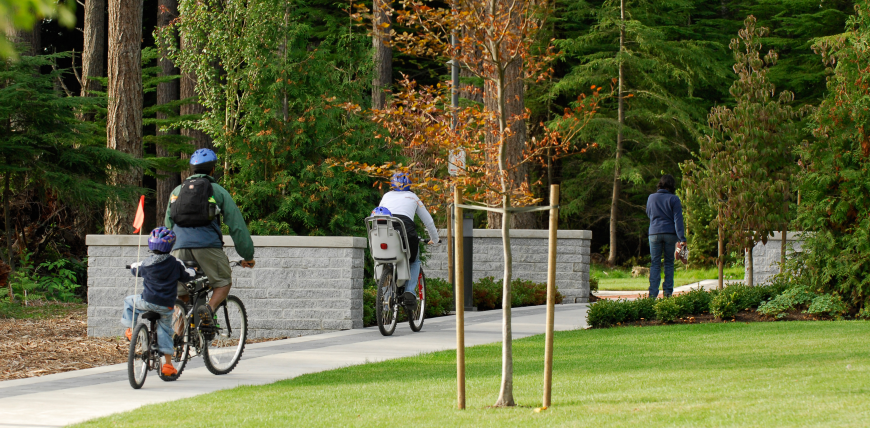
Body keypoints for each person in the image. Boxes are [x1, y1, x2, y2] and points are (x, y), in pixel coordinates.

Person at [165, 148, 255, 324]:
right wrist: (247, 255)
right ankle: (209, 308)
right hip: (207, 246)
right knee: (223, 282)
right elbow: (236, 225)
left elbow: (168, 226)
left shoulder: (177, 191)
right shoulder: (217, 191)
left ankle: (177, 338)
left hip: (178, 248)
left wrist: (167, 255)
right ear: (213, 169)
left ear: (192, 169)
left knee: (182, 295)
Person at [122, 227, 196, 376]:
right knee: (165, 332)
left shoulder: (146, 263)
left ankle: (131, 330)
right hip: (166, 306)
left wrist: (132, 266)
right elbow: (187, 275)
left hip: (147, 302)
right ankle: (167, 365)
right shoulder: (175, 263)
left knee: (129, 302)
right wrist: (193, 270)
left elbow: (135, 269)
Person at [375, 172, 439, 307]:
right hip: (406, 232)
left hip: (385, 232)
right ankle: (409, 291)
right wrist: (435, 239)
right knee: (414, 260)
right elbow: (428, 221)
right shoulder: (413, 197)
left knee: (385, 259)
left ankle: (386, 304)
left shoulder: (386, 196)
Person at [646, 174, 687, 298]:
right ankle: (668, 293)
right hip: (670, 233)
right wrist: (682, 238)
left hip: (654, 233)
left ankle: (652, 294)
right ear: (672, 186)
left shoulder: (651, 197)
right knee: (669, 263)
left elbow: (648, 213)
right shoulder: (674, 199)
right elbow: (678, 220)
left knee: (655, 263)